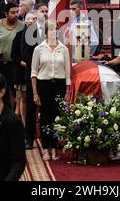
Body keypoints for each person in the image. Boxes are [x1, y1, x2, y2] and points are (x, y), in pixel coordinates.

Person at [31, 20, 71, 161]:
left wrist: (67, 91)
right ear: (46, 32)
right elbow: (34, 72)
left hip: (59, 85)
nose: (54, 32)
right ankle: (45, 148)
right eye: (51, 29)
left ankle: (54, 147)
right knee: (45, 118)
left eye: (56, 29)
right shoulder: (39, 49)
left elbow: (67, 73)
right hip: (44, 85)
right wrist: (35, 93)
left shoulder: (64, 49)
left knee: (56, 118)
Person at [0, 2, 25, 108]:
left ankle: (11, 114)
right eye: (12, 13)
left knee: (13, 91)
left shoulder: (22, 25)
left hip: (13, 64)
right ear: (6, 13)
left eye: (17, 12)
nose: (16, 15)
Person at [21, 4, 48, 149]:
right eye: (41, 11)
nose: (44, 13)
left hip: (49, 75)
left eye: (46, 11)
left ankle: (47, 139)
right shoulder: (29, 31)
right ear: (36, 14)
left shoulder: (52, 29)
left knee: (47, 108)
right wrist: (39, 63)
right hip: (33, 73)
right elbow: (24, 53)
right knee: (31, 108)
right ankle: (29, 138)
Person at [12, 11, 37, 122]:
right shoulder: (19, 35)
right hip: (22, 70)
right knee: (24, 99)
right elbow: (14, 54)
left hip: (35, 70)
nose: (30, 21)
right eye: (28, 19)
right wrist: (21, 62)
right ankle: (24, 123)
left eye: (33, 19)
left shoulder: (39, 35)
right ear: (24, 21)